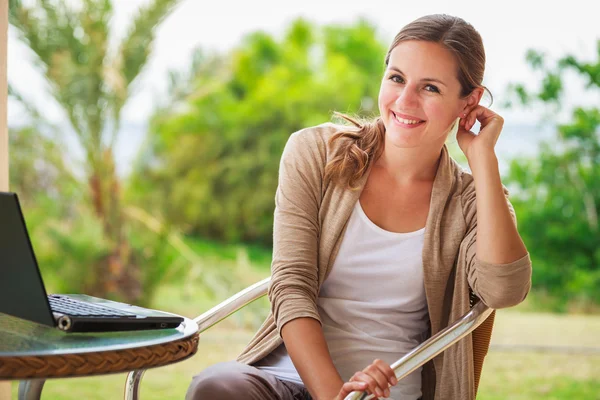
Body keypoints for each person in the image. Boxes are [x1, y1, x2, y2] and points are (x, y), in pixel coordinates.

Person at [186, 13, 532, 400]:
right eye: (397, 78)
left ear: (468, 102)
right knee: (216, 388)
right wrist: (334, 395)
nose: (405, 101)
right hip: (287, 381)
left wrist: (483, 159)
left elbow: (504, 291)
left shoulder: (472, 201)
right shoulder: (315, 153)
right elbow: (291, 285)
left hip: (391, 389)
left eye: (430, 88)